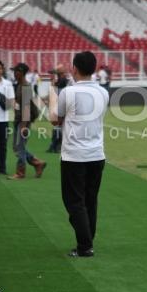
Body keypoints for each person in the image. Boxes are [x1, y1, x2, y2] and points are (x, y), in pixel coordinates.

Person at [55, 51, 109, 258]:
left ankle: (85, 245)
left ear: (74, 68)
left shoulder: (67, 92)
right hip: (96, 153)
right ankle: (87, 240)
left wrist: (51, 97)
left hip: (74, 155)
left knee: (74, 201)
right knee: (90, 200)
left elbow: (55, 119)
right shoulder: (103, 92)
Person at [8, 62, 46, 180]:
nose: (14, 73)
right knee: (17, 147)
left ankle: (20, 172)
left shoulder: (25, 86)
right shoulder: (19, 84)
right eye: (14, 71)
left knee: (19, 147)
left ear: (22, 73)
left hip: (23, 121)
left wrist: (24, 126)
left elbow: (26, 108)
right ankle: (37, 163)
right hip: (19, 119)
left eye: (16, 71)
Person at [47, 66, 69, 154]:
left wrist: (52, 82)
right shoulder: (61, 80)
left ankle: (56, 146)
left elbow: (56, 89)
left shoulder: (63, 80)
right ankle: (54, 145)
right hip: (59, 104)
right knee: (57, 127)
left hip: (61, 105)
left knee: (58, 127)